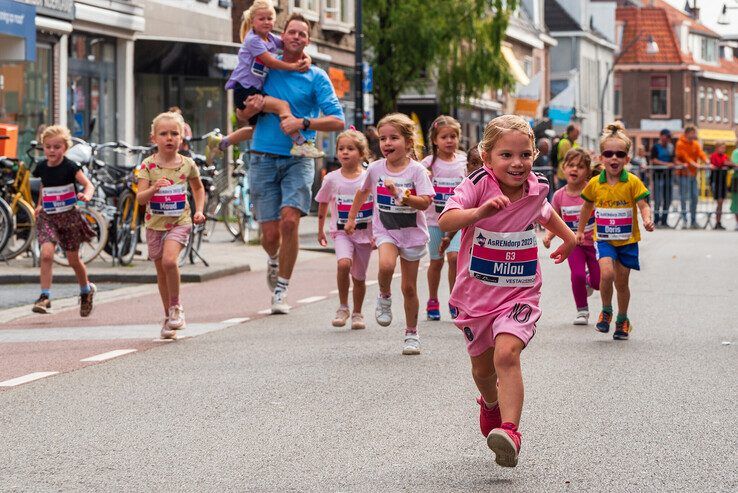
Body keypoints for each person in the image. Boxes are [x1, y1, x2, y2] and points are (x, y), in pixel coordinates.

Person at [438, 115, 576, 468]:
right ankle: (490, 403)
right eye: (507, 155)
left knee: (507, 355)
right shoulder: (477, 184)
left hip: (519, 293)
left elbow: (544, 212)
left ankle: (511, 431)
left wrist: (570, 236)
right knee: (484, 371)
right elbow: (446, 221)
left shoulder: (536, 186)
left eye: (525, 155)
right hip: (475, 297)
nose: (518, 163)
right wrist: (479, 211)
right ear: (487, 158)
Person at [240, 13, 345, 314]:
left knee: (290, 221)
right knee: (270, 234)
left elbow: (338, 120)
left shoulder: (316, 76)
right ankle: (273, 259)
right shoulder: (264, 67)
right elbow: (241, 115)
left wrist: (304, 121)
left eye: (302, 34)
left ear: (308, 40)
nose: (297, 37)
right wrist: (248, 111)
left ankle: (281, 290)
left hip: (299, 158)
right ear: (281, 35)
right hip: (261, 156)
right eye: (292, 32)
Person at [345, 113, 434, 355]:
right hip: (386, 230)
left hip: (412, 233)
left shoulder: (417, 171)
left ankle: (412, 333)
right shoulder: (375, 169)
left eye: (393, 138)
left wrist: (402, 195)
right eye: (383, 138)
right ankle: (384, 295)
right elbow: (362, 193)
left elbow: (425, 203)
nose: (387, 143)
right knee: (385, 265)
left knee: (409, 288)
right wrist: (352, 218)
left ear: (407, 142)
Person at [207, 1, 322, 162]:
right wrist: (294, 67)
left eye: (270, 18)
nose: (266, 22)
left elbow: (290, 45)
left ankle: (221, 142)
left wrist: (307, 58)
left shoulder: (270, 38)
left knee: (256, 129)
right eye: (262, 19)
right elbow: (270, 62)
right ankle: (301, 143)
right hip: (245, 89)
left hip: (254, 88)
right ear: (252, 21)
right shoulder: (253, 40)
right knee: (283, 106)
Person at [577, 121, 654, 341]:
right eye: (608, 153)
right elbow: (586, 207)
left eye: (619, 154)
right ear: (601, 158)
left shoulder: (632, 182)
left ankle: (622, 319)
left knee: (622, 282)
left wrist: (647, 220)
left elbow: (643, 205)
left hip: (628, 241)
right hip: (604, 239)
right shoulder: (594, 183)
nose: (614, 158)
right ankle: (606, 311)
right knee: (607, 274)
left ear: (627, 159)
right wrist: (580, 231)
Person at [137, 112, 206, 339]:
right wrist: (154, 188)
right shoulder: (147, 165)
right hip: (154, 224)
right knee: (161, 271)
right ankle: (168, 315)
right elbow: (140, 198)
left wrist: (198, 210)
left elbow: (197, 188)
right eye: (163, 134)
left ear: (182, 137)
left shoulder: (187, 164)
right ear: (153, 138)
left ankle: (177, 307)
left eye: (174, 133)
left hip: (180, 220)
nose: (169, 138)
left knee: (169, 261)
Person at [31, 125, 97, 317]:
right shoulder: (42, 167)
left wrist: (87, 195)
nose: (52, 151)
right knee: (46, 253)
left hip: (69, 217)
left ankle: (86, 291)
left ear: (65, 148)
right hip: (48, 216)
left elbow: (88, 184)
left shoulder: (70, 166)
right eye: (48, 146)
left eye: (57, 147)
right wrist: (39, 204)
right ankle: (44, 296)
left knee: (73, 259)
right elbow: (45, 185)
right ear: (43, 147)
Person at [315, 129, 373, 330]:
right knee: (343, 264)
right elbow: (322, 203)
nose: (345, 152)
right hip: (341, 232)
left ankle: (357, 312)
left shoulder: (368, 178)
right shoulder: (331, 178)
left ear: (361, 152)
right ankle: (343, 307)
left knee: (359, 277)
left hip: (365, 234)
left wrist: (377, 234)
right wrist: (320, 229)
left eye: (350, 148)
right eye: (341, 149)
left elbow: (377, 207)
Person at [543, 148, 600, 325]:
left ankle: (590, 282)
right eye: (571, 165)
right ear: (563, 168)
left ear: (588, 172)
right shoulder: (560, 196)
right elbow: (554, 219)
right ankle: (582, 311)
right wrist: (548, 236)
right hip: (573, 245)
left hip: (595, 243)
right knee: (577, 275)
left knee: (599, 281)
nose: (574, 169)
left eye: (580, 166)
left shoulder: (592, 192)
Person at [420, 115, 466, 321]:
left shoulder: (464, 161)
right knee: (436, 262)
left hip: (457, 221)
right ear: (435, 140)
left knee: (455, 258)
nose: (449, 141)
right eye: (444, 137)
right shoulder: (427, 164)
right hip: (434, 221)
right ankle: (432, 300)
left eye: (453, 136)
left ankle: (455, 301)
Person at [675, 126, 707, 229]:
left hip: (693, 175)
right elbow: (684, 156)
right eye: (693, 133)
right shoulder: (680, 143)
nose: (695, 135)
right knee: (684, 198)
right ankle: (684, 220)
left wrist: (707, 160)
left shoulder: (695, 144)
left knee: (694, 197)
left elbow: (700, 153)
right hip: (683, 175)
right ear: (688, 133)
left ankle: (693, 221)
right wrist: (693, 164)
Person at [650, 129, 675, 227]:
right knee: (657, 198)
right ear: (661, 136)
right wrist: (666, 164)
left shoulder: (671, 147)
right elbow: (653, 160)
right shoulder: (655, 147)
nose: (668, 139)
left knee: (667, 198)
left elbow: (673, 159)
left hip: (668, 176)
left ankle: (664, 220)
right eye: (666, 136)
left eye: (669, 137)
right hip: (658, 175)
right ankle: (656, 220)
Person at [709, 143, 734, 230]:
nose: (723, 149)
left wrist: (729, 164)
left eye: (724, 148)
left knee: (721, 202)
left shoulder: (725, 156)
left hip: (723, 182)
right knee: (719, 202)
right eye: (722, 147)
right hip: (716, 181)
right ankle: (717, 222)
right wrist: (728, 163)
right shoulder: (714, 156)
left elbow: (730, 164)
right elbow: (719, 163)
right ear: (717, 148)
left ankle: (719, 222)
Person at [555, 123, 580, 188]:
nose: (578, 134)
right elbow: (570, 156)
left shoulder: (575, 143)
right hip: (563, 173)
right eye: (576, 132)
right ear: (571, 132)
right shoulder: (564, 142)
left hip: (570, 172)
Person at [731, 145, 738, 230]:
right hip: (737, 179)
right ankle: (737, 222)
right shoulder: (736, 152)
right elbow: (735, 165)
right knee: (736, 201)